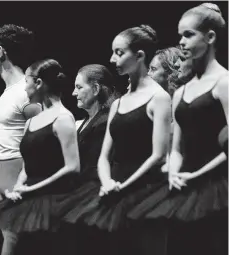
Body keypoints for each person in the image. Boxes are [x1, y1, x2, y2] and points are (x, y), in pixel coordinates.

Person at [57, 25, 171, 255]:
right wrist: (108, 182)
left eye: (119, 53)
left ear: (139, 56)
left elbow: (159, 155)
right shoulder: (118, 103)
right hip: (115, 191)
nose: (112, 58)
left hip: (144, 191)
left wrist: (122, 187)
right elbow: (104, 156)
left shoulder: (159, 98)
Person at [128, 3, 228, 255]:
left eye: (188, 34)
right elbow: (177, 146)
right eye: (180, 34)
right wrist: (174, 171)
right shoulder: (181, 91)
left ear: (211, 37)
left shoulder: (224, 82)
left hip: (217, 183)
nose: (181, 41)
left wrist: (196, 175)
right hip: (182, 185)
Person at [0, 59, 80, 255]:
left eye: (26, 81)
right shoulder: (31, 122)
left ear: (38, 83)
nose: (24, 87)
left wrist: (31, 188)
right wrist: (19, 186)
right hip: (28, 197)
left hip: (53, 199)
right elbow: (27, 165)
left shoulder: (63, 117)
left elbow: (72, 166)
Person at [0, 24, 42, 254]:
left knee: (12, 242)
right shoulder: (7, 92)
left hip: (19, 173)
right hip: (5, 174)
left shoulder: (24, 91)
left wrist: (23, 178)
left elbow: (42, 138)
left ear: (1, 52)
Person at [54, 64, 118, 255]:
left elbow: (97, 164)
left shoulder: (105, 121)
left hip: (93, 201)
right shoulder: (89, 120)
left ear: (97, 88)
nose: (74, 93)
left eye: (79, 87)